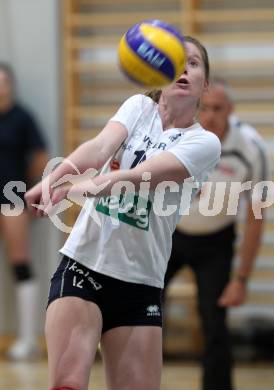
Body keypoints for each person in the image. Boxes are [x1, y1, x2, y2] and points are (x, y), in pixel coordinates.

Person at [25, 36, 221, 390]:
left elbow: (138, 178)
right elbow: (98, 148)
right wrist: (52, 179)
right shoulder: (137, 107)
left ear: (204, 83)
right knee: (67, 382)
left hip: (140, 284)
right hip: (84, 265)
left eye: (193, 63)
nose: (184, 69)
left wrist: (70, 190)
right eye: (175, 61)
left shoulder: (204, 143)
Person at [164, 78, 270, 390]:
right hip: (172, 233)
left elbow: (255, 217)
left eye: (218, 109)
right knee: (144, 312)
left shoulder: (252, 149)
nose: (209, 115)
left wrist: (241, 279)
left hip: (216, 241)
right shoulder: (178, 136)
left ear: (231, 110)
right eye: (204, 107)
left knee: (215, 325)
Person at [0, 63, 48, 360]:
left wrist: (29, 188)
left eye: (4, 82)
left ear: (12, 85)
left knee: (20, 263)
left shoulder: (23, 117)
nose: (1, 87)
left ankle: (28, 338)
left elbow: (41, 156)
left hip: (11, 197)